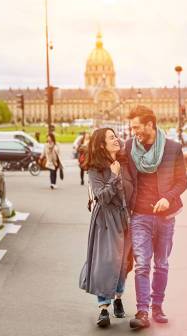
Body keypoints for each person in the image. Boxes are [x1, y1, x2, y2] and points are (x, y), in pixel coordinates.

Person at [125, 105, 187, 329]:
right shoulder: (129, 147)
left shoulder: (172, 148)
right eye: (132, 128)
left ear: (150, 124)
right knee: (142, 264)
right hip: (139, 215)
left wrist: (168, 198)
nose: (134, 132)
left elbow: (183, 182)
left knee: (161, 264)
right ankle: (142, 311)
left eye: (137, 127)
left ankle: (157, 306)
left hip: (165, 216)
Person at [79, 128, 133, 328]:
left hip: (124, 218)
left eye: (115, 136)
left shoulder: (125, 163)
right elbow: (102, 197)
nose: (116, 139)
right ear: (102, 144)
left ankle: (118, 297)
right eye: (111, 138)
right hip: (105, 221)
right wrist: (113, 175)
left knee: (123, 264)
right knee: (106, 261)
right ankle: (103, 307)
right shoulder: (95, 169)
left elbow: (131, 191)